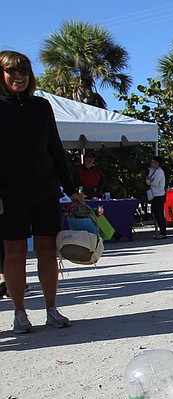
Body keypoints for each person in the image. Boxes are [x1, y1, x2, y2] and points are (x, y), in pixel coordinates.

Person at [0, 50, 79, 333]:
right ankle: (19, 312)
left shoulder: (42, 107)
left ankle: (51, 308)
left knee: (47, 250)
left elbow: (56, 150)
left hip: (45, 191)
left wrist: (71, 189)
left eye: (23, 71)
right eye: (11, 71)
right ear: (2, 75)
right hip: (10, 194)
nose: (18, 76)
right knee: (15, 252)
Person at [146, 156, 167, 239]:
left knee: (159, 214)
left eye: (153, 162)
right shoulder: (152, 170)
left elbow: (155, 183)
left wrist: (150, 181)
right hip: (153, 195)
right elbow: (147, 181)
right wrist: (150, 181)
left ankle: (163, 232)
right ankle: (160, 232)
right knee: (155, 213)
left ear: (157, 163)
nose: (151, 163)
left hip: (159, 195)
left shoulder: (159, 172)